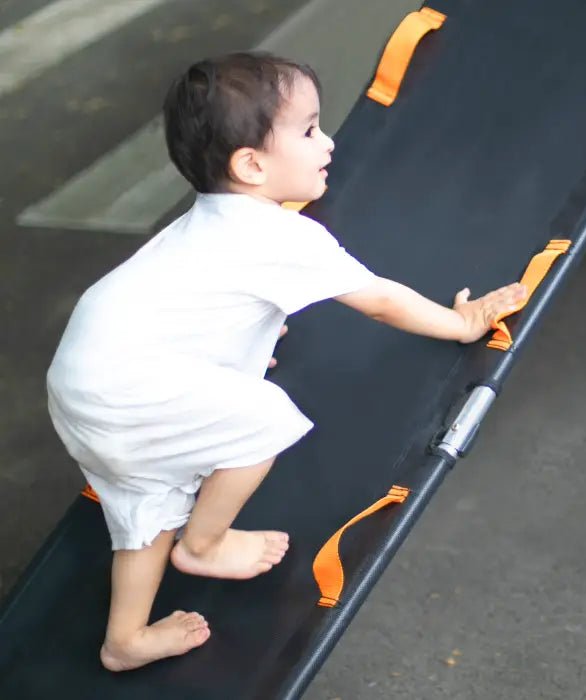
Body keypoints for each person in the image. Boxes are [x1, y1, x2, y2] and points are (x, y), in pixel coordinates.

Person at [46, 52, 526, 672]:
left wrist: (225, 359)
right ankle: (206, 544)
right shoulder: (280, 236)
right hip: (129, 387)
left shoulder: (200, 225)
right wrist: (462, 322)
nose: (326, 141)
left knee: (145, 500)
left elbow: (180, 313)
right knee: (264, 418)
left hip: (83, 383)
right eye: (308, 130)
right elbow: (379, 300)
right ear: (251, 165)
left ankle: (125, 640)